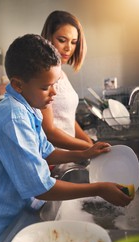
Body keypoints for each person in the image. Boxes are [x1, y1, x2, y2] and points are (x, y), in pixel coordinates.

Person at [0, 34, 132, 242]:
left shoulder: (28, 109)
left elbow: (45, 152)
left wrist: (84, 152)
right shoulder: (12, 117)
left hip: (14, 217)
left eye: (54, 84)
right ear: (19, 84)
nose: (54, 93)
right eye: (46, 86)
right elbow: (41, 187)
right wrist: (99, 188)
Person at [41, 10, 94, 150]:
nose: (68, 48)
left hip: (69, 158)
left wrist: (89, 143)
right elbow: (49, 131)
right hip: (55, 159)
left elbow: (68, 119)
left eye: (74, 42)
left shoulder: (62, 74)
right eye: (62, 40)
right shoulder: (43, 76)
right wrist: (87, 148)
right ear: (49, 39)